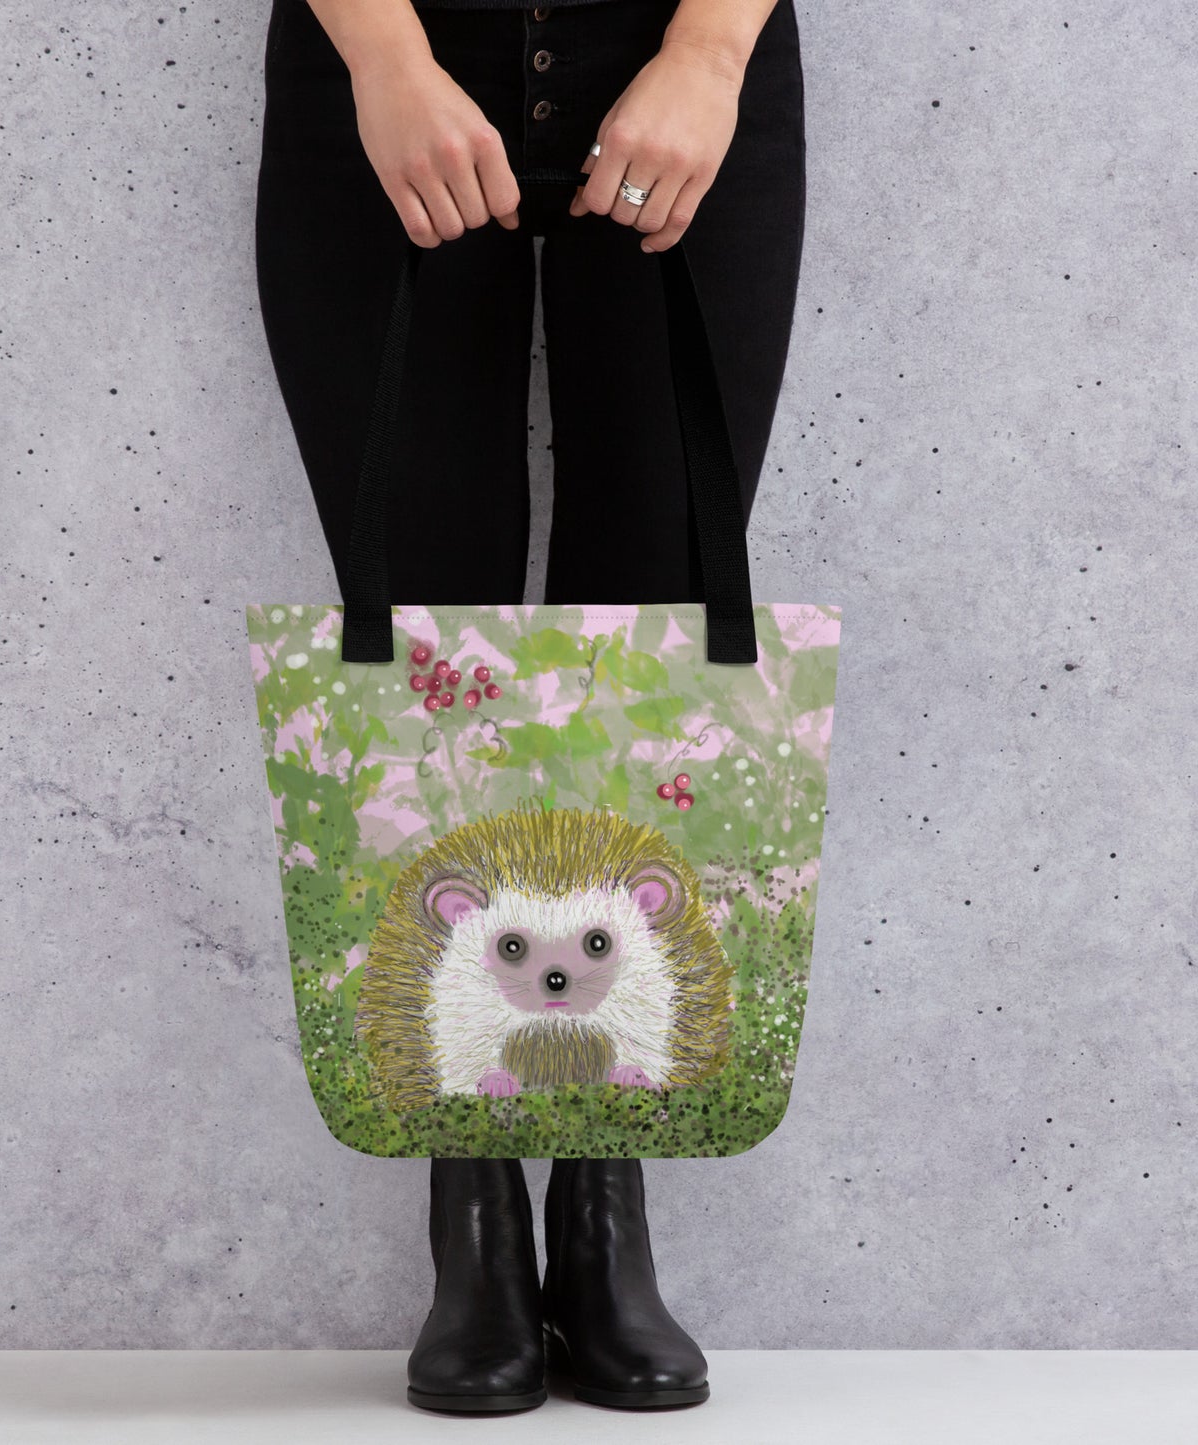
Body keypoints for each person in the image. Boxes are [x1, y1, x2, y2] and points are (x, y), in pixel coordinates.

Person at [254, 0, 806, 1414]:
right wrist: (381, 57)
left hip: (680, 51)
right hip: (389, 52)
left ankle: (602, 1200)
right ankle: (476, 1206)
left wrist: (709, 54)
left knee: (658, 646)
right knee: (425, 654)